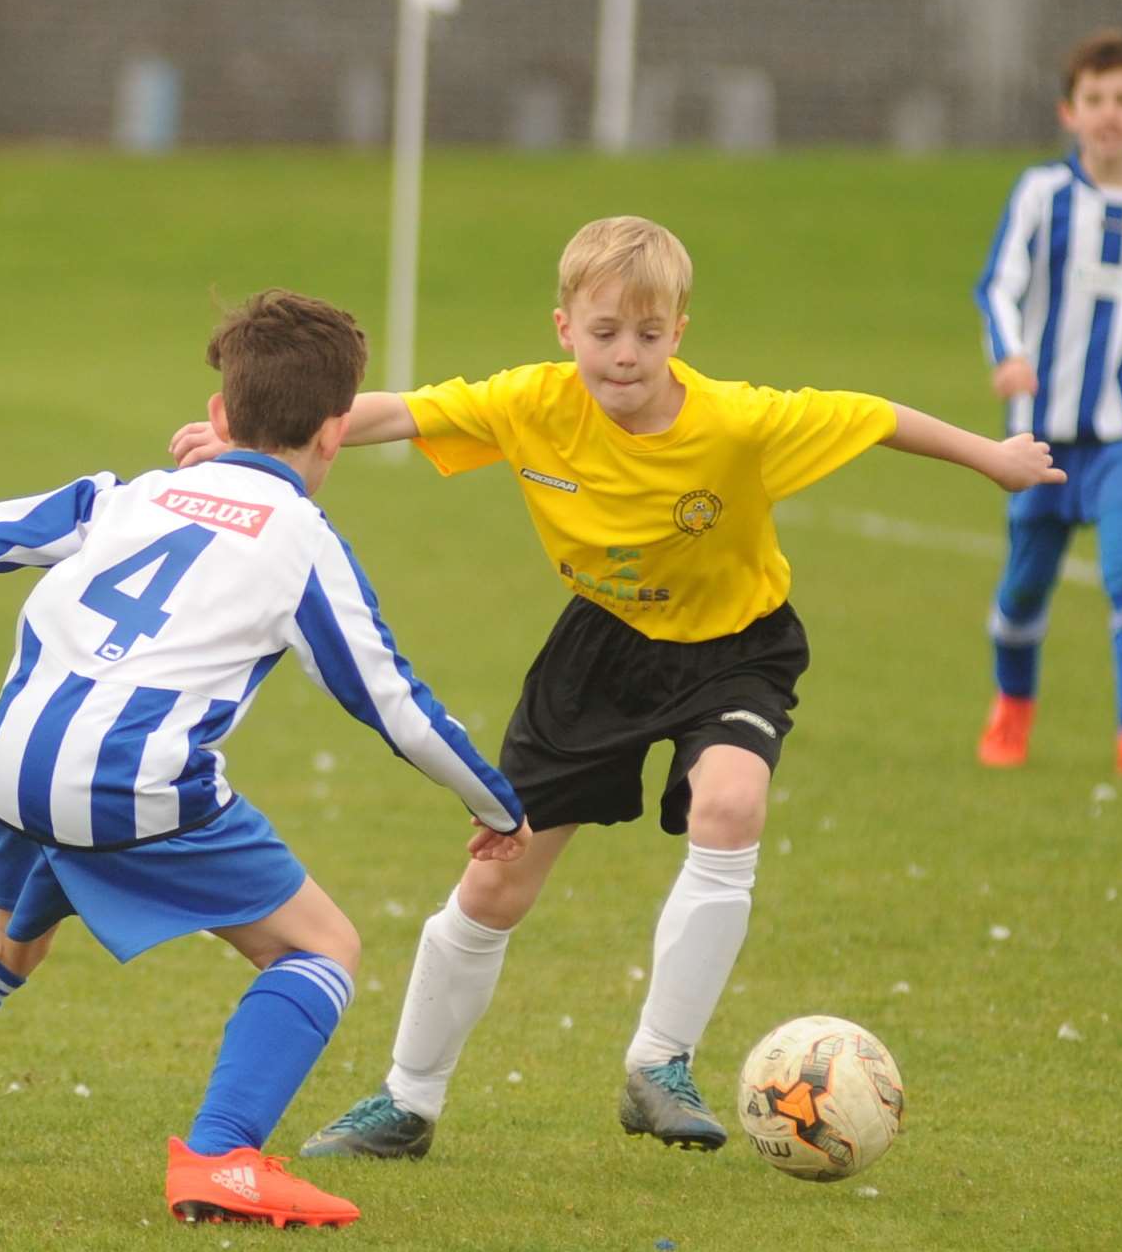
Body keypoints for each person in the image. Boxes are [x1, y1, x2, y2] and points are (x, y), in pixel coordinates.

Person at [171, 216, 1063, 1156]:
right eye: (604, 334)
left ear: (680, 332)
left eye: (647, 334)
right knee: (495, 884)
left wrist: (993, 457)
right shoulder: (532, 403)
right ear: (565, 329)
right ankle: (407, 1099)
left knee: (731, 804)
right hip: (597, 654)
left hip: (734, 647)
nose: (624, 355)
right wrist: (260, 448)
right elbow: (400, 413)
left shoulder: (737, 420)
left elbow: (876, 415)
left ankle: (658, 1064)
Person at [0, 290, 531, 1227]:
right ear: (337, 433)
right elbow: (392, 704)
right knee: (320, 946)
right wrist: (498, 806)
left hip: (15, 756)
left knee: (4, 941)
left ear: (219, 414)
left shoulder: (124, 493)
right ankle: (222, 1157)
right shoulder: (301, 540)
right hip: (131, 783)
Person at [973, 28, 1122, 774]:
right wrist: (1008, 355)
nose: (1109, 113)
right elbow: (998, 284)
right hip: (1040, 434)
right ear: (1069, 112)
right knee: (1022, 593)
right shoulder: (1043, 193)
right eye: (1094, 99)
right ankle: (1013, 706)